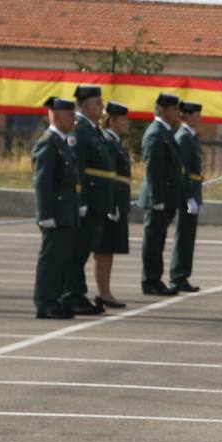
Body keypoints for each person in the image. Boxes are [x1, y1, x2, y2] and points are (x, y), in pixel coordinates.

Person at [31, 96, 82, 320]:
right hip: (56, 213)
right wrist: (45, 214)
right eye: (70, 114)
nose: (74, 119)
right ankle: (45, 302)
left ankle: (56, 299)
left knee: (61, 259)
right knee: (50, 260)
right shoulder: (48, 142)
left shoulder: (62, 142)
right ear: (56, 115)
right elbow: (43, 181)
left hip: (66, 211)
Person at [66, 84, 112, 316]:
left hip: (98, 201)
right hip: (88, 201)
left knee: (83, 249)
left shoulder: (93, 130)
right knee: (77, 251)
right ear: (84, 106)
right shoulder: (80, 131)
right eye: (97, 103)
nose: (102, 106)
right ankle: (71, 294)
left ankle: (77, 293)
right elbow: (78, 168)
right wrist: (81, 200)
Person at [139, 91, 186, 296]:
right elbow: (153, 170)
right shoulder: (156, 134)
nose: (178, 112)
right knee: (153, 241)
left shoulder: (165, 132)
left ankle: (155, 279)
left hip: (166, 197)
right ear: (163, 110)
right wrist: (157, 199)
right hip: (157, 198)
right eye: (174, 108)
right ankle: (150, 281)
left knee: (158, 240)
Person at [94, 100, 134, 308]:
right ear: (112, 121)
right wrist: (112, 204)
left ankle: (106, 291)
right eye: (123, 119)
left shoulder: (114, 141)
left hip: (117, 201)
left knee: (109, 249)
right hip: (111, 203)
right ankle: (103, 292)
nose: (127, 123)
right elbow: (109, 176)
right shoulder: (107, 142)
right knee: (103, 249)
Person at [169, 100, 205, 293]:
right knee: (183, 236)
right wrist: (189, 196)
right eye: (196, 115)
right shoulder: (183, 137)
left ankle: (183, 274)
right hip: (186, 194)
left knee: (188, 237)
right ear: (187, 116)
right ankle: (177, 276)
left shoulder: (191, 137)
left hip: (193, 191)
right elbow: (182, 171)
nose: (200, 118)